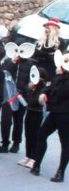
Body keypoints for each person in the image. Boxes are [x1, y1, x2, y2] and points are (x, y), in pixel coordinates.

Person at [31, 52, 69, 182]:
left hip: (66, 114)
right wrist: (43, 94)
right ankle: (36, 165)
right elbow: (49, 87)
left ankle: (60, 172)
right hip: (54, 112)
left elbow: (63, 92)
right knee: (41, 135)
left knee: (65, 143)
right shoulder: (59, 76)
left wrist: (60, 76)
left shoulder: (63, 78)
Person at [0, 43, 35, 154]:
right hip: (8, 95)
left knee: (18, 120)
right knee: (5, 120)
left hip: (21, 96)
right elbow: (3, 74)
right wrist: (12, 63)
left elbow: (32, 81)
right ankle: (5, 142)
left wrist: (23, 90)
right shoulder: (8, 61)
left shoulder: (31, 65)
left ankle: (16, 143)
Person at [20, 66, 48, 169]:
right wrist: (29, 88)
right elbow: (25, 94)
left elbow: (40, 101)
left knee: (35, 135)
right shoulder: (32, 87)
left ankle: (34, 158)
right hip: (29, 111)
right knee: (28, 134)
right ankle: (28, 156)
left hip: (38, 113)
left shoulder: (44, 88)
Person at [32, 18, 62, 82]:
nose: (46, 30)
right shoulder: (41, 40)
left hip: (51, 69)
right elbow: (36, 52)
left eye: (48, 28)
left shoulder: (60, 42)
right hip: (39, 66)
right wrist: (47, 54)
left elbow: (57, 57)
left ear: (53, 29)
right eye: (45, 28)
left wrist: (44, 54)